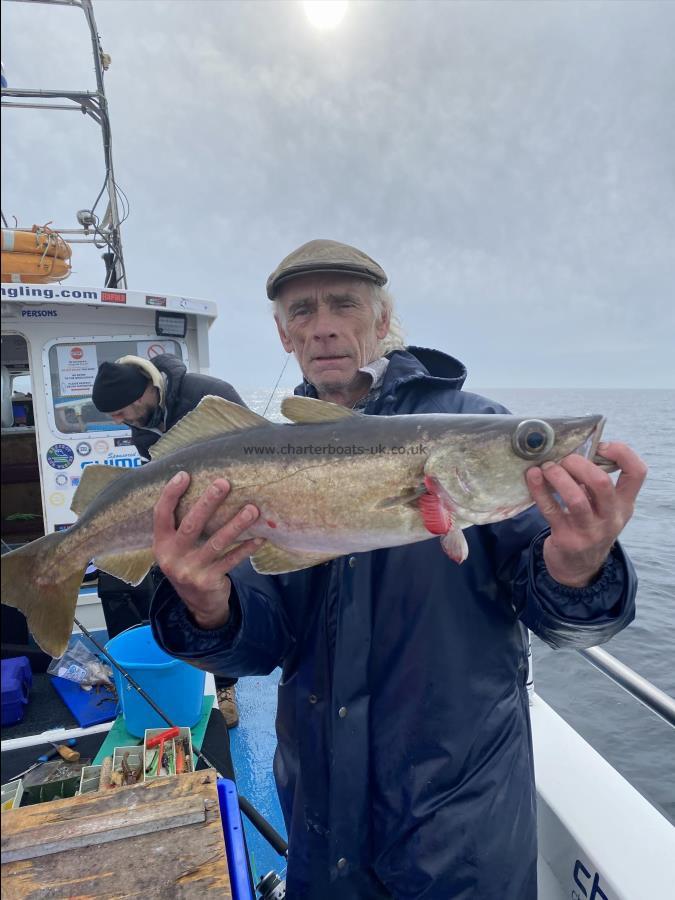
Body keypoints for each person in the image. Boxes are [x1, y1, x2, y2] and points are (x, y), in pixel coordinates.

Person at [148, 240, 647, 898]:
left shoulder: (480, 432)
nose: (322, 324)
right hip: (320, 815)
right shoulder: (265, 455)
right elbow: (261, 643)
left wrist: (580, 567)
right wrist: (205, 605)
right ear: (282, 333)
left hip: (460, 826)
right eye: (302, 311)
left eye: (343, 304)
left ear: (382, 322)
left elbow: (563, 619)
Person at [91, 352, 245, 728]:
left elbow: (253, 449)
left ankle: (224, 686)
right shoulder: (143, 427)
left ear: (145, 390)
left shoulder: (207, 394)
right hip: (187, 520)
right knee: (174, 587)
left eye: (121, 409)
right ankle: (183, 671)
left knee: (224, 594)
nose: (118, 420)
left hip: (230, 513)